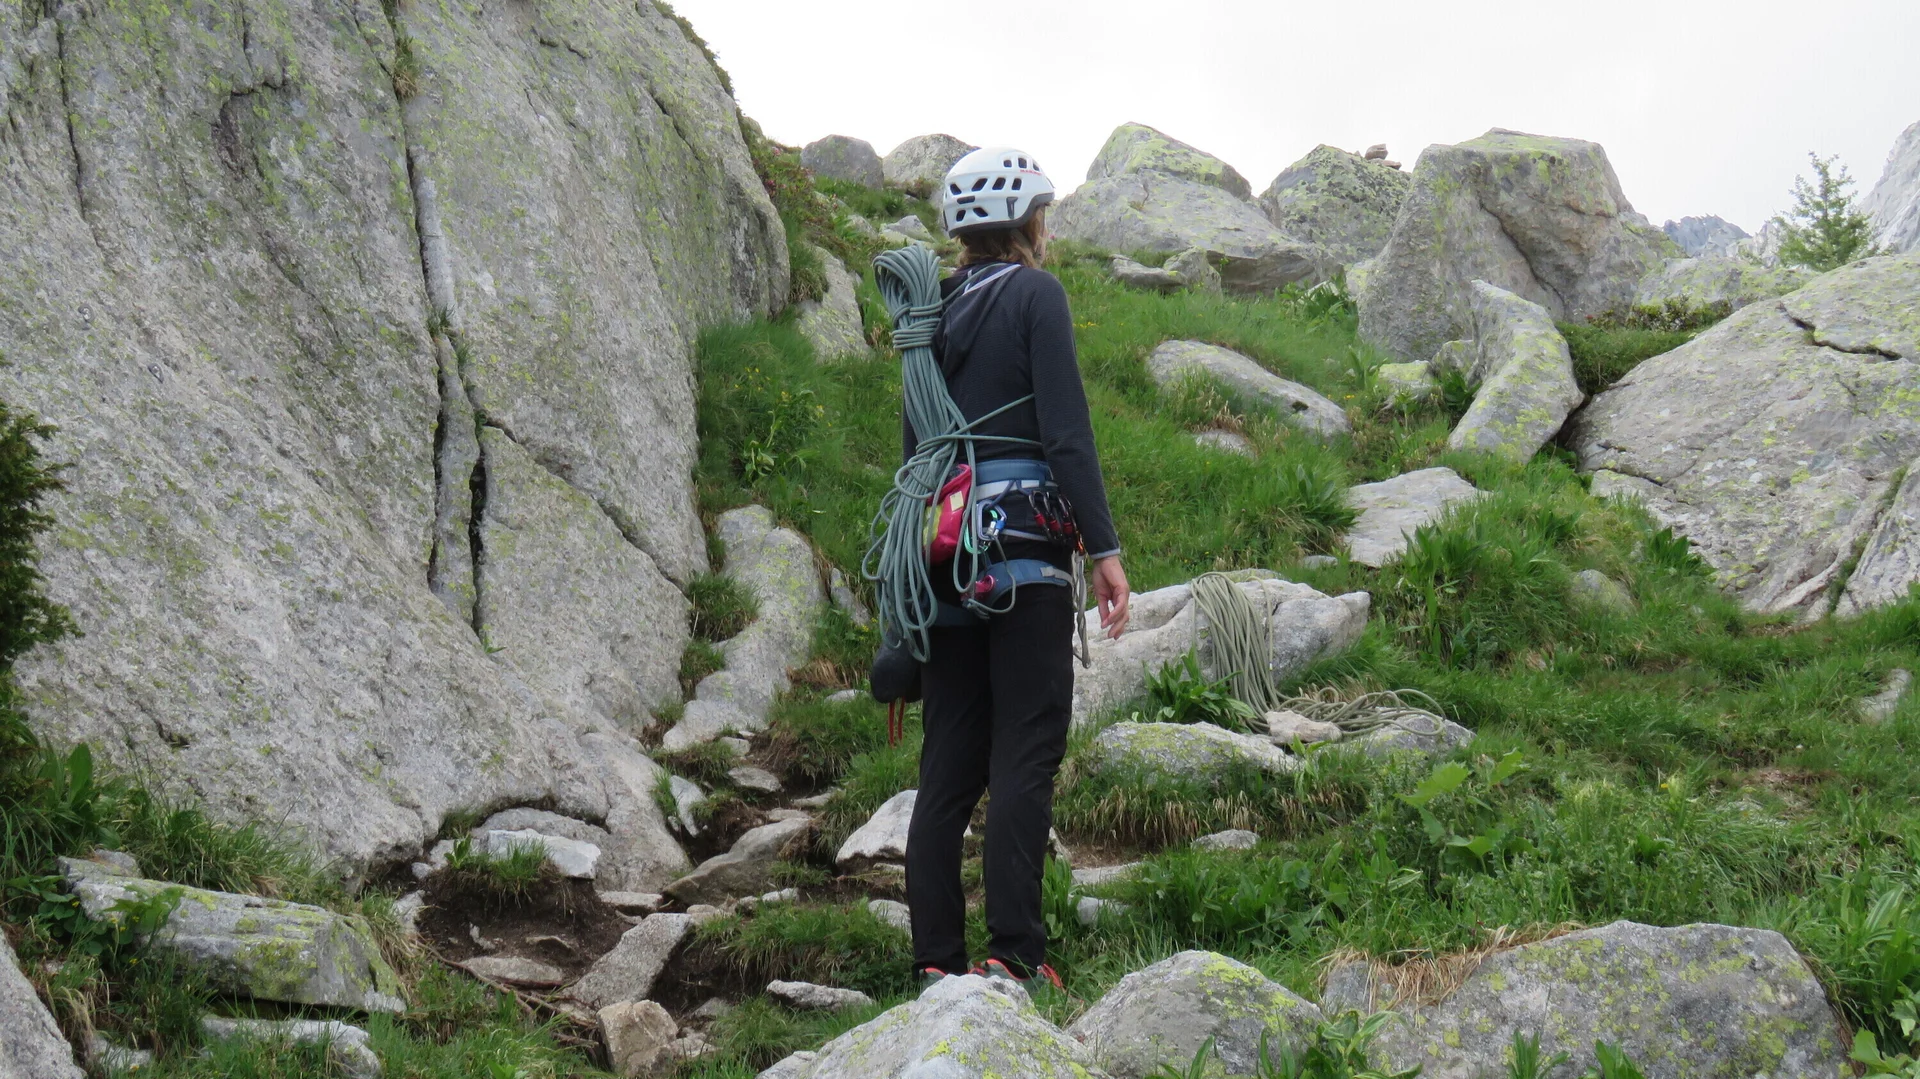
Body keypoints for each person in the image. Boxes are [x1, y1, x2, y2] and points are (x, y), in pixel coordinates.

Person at [904, 146, 1130, 992]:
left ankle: (935, 961)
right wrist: (1104, 550)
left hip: (943, 558)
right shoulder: (1037, 295)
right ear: (1028, 221)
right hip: (1026, 561)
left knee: (947, 767)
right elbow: (1066, 434)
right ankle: (1014, 955)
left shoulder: (928, 313)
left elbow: (916, 452)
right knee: (1024, 756)